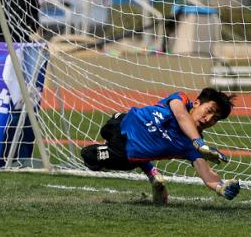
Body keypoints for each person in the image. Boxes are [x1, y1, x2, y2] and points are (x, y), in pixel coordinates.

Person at [80, 88, 240, 205]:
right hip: (121, 122)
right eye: (209, 111)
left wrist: (221, 187)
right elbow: (181, 115)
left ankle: (151, 173)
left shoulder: (190, 146)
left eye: (215, 118)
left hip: (124, 154)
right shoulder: (181, 99)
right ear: (197, 103)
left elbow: (206, 173)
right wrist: (199, 143)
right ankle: (152, 172)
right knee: (107, 127)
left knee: (88, 155)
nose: (208, 119)